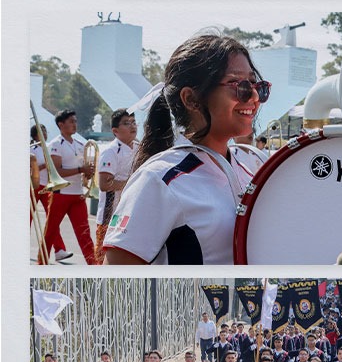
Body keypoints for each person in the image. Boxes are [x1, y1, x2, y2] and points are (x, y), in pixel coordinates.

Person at [103, 35, 267, 264]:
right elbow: (118, 281)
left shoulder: (254, 166)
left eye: (255, 85)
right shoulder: (158, 178)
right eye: (239, 86)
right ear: (191, 99)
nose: (254, 97)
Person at [45, 109, 96, 263]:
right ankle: (41, 263)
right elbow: (57, 172)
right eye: (71, 121)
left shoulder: (81, 144)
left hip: (78, 195)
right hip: (61, 195)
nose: (75, 124)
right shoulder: (55, 144)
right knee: (50, 232)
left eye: (75, 121)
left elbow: (84, 170)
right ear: (61, 125)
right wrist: (81, 169)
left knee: (84, 233)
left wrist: (88, 174)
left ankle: (94, 265)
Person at [94, 109, 139, 260]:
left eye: (133, 122)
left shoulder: (139, 148)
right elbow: (104, 185)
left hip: (131, 213)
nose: (132, 126)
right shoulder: (111, 152)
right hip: (110, 216)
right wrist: (133, 182)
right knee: (103, 260)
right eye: (126, 123)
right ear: (115, 131)